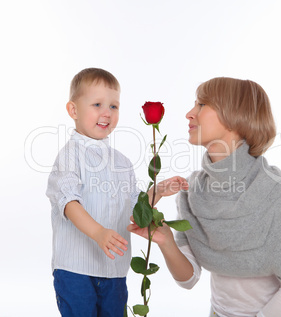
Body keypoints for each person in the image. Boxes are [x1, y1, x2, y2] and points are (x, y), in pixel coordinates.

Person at [128, 77, 281, 317]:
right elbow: (188, 279)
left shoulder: (272, 190)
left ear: (235, 115)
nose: (189, 114)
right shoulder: (194, 190)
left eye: (201, 105)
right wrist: (167, 242)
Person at [46, 68, 187, 317]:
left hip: (114, 270)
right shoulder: (70, 155)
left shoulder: (122, 162)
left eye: (114, 106)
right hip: (75, 268)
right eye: (97, 104)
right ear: (73, 110)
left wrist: (157, 191)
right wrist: (98, 232)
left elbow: (134, 208)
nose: (106, 113)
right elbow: (69, 203)